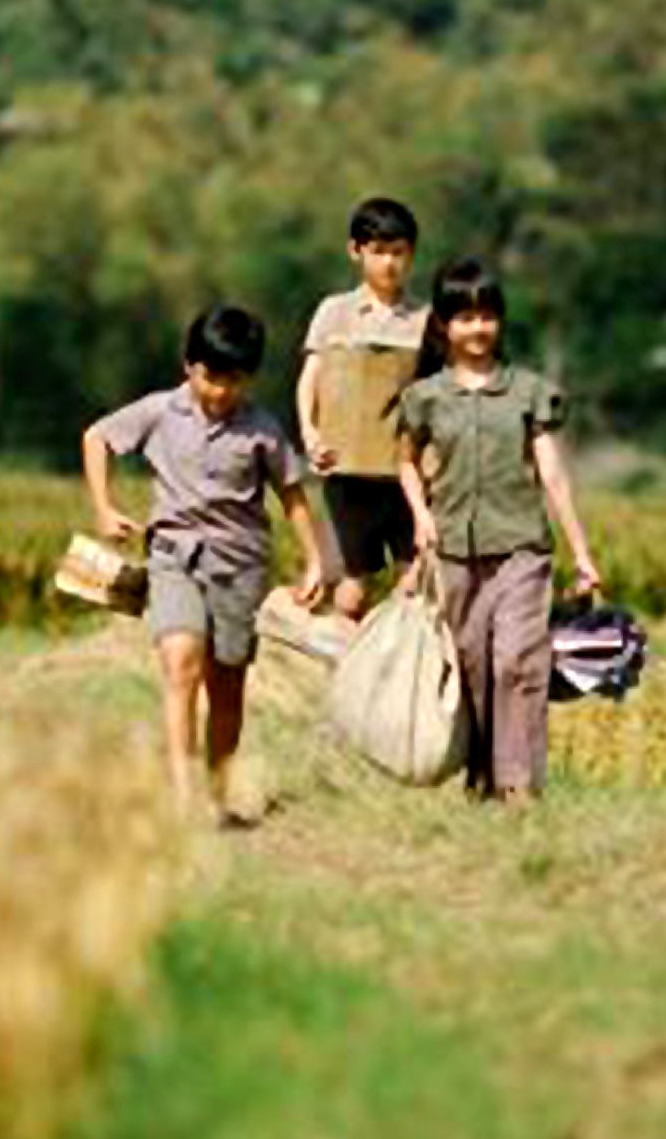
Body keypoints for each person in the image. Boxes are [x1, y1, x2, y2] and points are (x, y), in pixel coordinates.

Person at [84, 303, 341, 826]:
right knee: (181, 662)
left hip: (240, 567)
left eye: (235, 379)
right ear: (189, 365)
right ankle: (183, 795)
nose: (221, 390)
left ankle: (216, 794)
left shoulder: (262, 428)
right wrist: (104, 507)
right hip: (173, 557)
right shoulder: (159, 411)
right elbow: (97, 437)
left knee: (226, 689)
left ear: (249, 377)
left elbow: (292, 495)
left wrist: (314, 560)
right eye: (211, 376)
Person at [396, 257, 603, 801]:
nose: (478, 328)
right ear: (444, 325)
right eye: (465, 318)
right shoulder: (425, 397)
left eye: (488, 316)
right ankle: (483, 777)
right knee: (472, 668)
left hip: (521, 550)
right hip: (454, 551)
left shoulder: (529, 392)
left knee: (517, 661)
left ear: (501, 321)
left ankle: (520, 787)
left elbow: (553, 475)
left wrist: (582, 554)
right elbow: (406, 463)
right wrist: (420, 517)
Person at [295, 195, 427, 618]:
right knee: (351, 587)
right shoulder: (334, 312)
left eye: (398, 252)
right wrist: (310, 434)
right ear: (356, 251)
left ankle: (398, 653)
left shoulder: (425, 320)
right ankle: (346, 654)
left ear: (411, 254)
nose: (389, 263)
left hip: (405, 474)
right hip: (347, 474)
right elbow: (311, 379)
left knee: (416, 579)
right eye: (379, 251)